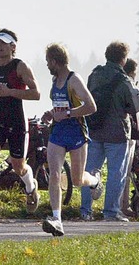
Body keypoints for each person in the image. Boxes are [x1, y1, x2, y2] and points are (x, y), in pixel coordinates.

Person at [0, 29, 41, 224]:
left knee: (17, 165)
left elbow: (36, 93)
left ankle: (31, 187)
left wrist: (10, 91)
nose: (0, 47)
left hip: (16, 121)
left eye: (4, 43)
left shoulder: (20, 67)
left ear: (13, 46)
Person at [40, 43, 101, 236]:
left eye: (48, 62)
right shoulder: (55, 80)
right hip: (58, 132)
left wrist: (67, 113)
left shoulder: (74, 80)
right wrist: (51, 113)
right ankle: (57, 219)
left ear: (55, 61)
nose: (47, 65)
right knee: (55, 174)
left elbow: (91, 107)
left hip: (76, 131)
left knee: (77, 179)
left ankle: (94, 181)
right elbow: (59, 107)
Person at [80, 41, 139, 222]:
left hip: (94, 129)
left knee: (89, 170)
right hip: (117, 133)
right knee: (116, 173)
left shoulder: (95, 74)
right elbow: (134, 107)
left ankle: (85, 210)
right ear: (123, 59)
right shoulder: (123, 80)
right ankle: (111, 212)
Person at [120, 58, 139, 218]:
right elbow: (135, 107)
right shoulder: (128, 85)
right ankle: (123, 205)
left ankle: (120, 204)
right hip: (128, 132)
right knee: (124, 171)